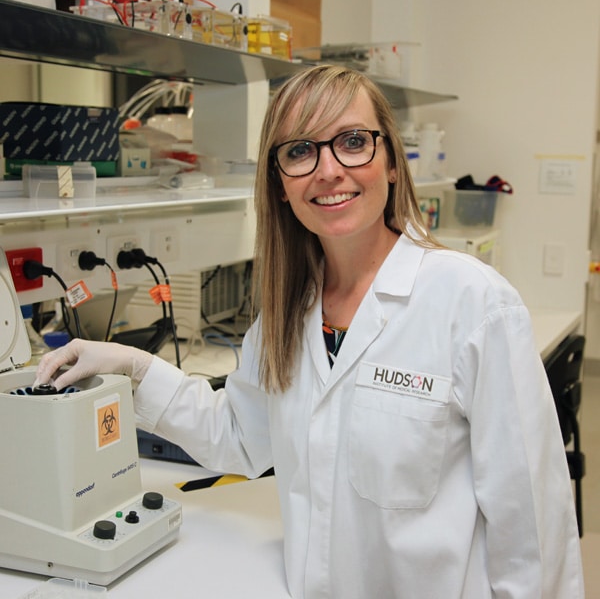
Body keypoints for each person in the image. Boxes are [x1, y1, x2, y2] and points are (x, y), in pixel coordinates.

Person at [35, 65, 583, 598]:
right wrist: (133, 367)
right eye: (300, 151)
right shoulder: (287, 310)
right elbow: (239, 437)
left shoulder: (473, 303)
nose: (328, 170)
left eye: (351, 141)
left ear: (391, 162)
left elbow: (533, 527)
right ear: (279, 184)